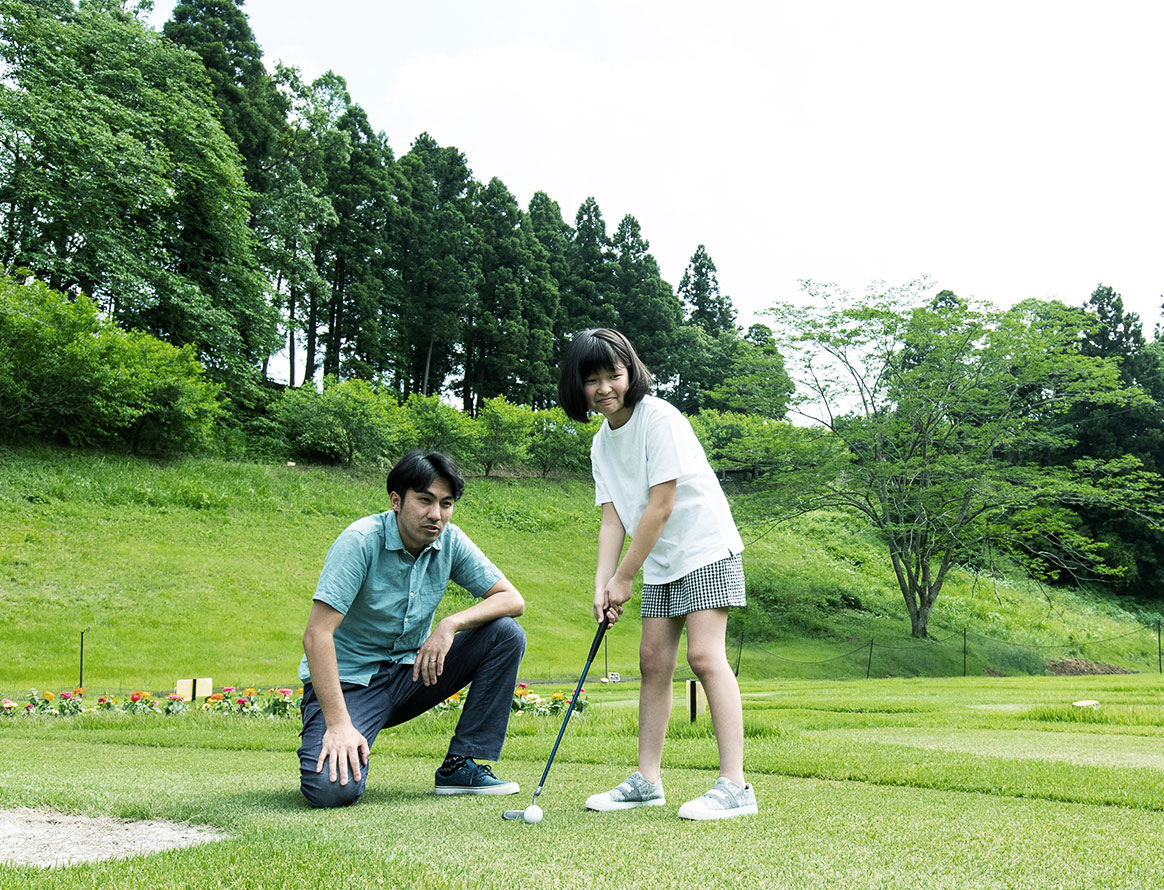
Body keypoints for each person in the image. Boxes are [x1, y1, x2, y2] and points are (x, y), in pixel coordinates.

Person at [557, 328, 757, 821]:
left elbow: (661, 505)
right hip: (663, 558)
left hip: (704, 547)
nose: (604, 388)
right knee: (652, 661)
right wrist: (603, 583)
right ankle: (647, 780)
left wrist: (625, 577)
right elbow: (612, 520)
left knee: (704, 656)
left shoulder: (659, 419)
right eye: (592, 380)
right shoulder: (601, 445)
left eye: (613, 375)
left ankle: (735, 785)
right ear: (577, 386)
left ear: (631, 373)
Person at [297, 449, 527, 808]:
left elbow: (512, 599)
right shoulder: (360, 541)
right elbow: (316, 635)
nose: (436, 514)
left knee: (505, 634)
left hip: (412, 674)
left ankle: (459, 766)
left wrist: (450, 624)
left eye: (446, 504)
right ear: (396, 501)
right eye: (425, 500)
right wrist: (339, 725)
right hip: (351, 684)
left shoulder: (450, 541)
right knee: (330, 790)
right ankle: (343, 733)